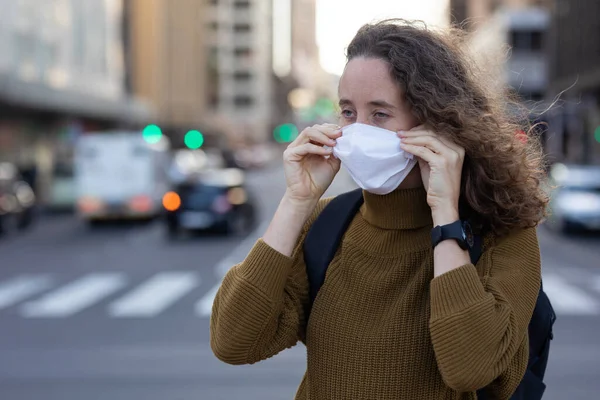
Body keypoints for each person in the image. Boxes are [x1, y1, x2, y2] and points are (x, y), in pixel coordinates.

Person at [210, 19, 548, 399]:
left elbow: (470, 367)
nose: (357, 131)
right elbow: (232, 341)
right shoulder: (327, 224)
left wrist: (444, 215)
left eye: (380, 114)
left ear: (435, 122)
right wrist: (296, 202)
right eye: (348, 112)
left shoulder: (503, 232)